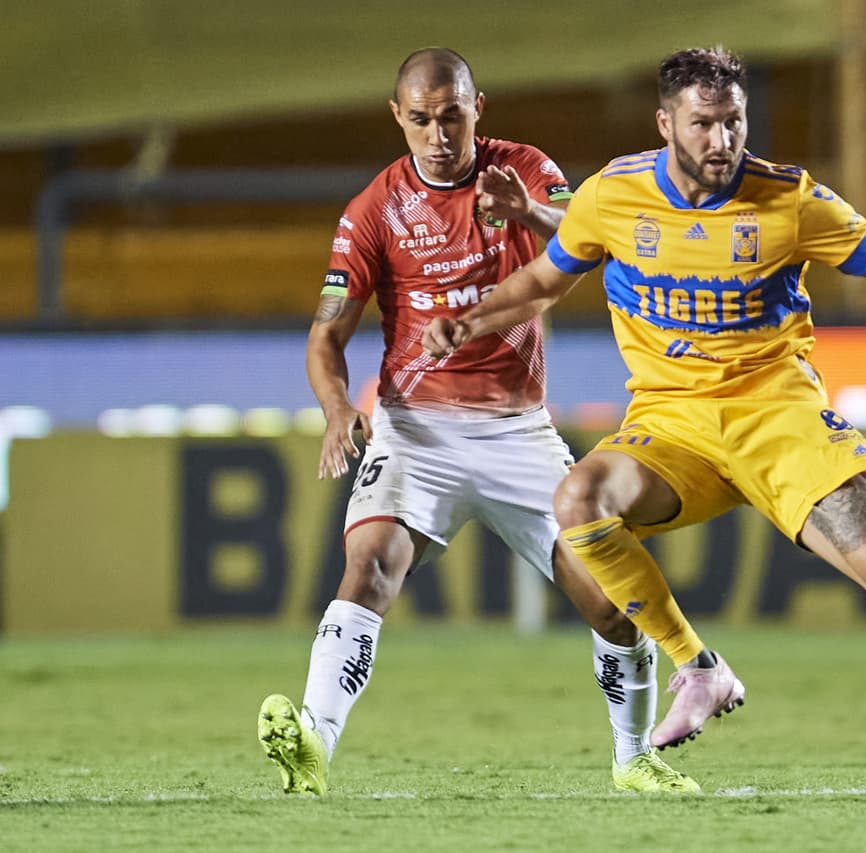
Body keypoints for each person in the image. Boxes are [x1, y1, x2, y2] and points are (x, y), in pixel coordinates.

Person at [422, 46, 866, 799]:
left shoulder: (791, 200)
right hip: (672, 428)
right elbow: (547, 277)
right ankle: (698, 668)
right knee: (579, 500)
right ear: (666, 122)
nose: (721, 141)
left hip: (782, 419)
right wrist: (468, 321)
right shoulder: (614, 194)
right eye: (703, 124)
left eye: (733, 122)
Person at [257, 47, 699, 796]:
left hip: (517, 432)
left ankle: (635, 758)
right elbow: (326, 334)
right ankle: (314, 746)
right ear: (398, 117)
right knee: (368, 568)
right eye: (422, 119)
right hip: (415, 433)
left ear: (478, 107)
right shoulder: (373, 211)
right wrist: (338, 411)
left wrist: (527, 210)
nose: (439, 134)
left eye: (452, 115)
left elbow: (593, 245)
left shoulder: (523, 168)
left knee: (611, 602)